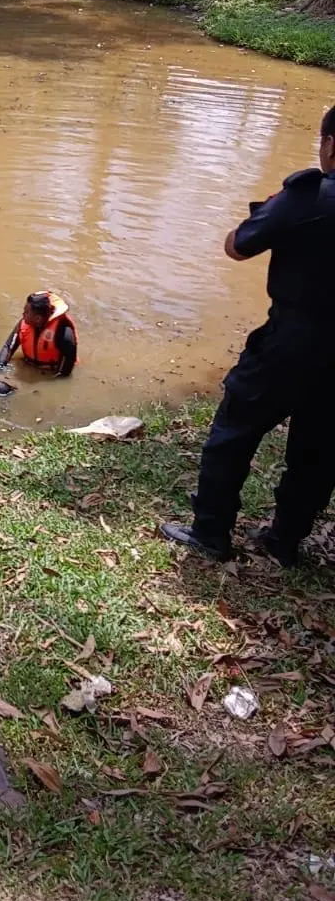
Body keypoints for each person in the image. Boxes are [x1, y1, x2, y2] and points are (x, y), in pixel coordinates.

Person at [161, 106, 335, 567]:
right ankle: (286, 540)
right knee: (318, 448)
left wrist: (276, 204)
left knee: (233, 432)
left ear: (331, 144)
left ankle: (211, 533)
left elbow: (236, 247)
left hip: (291, 342)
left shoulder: (306, 196)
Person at [0, 291, 77, 377]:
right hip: (28, 364)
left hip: (50, 371)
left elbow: (65, 371)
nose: (23, 315)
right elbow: (8, 347)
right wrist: (0, 368)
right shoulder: (23, 324)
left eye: (26, 312)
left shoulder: (63, 331)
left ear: (38, 318)